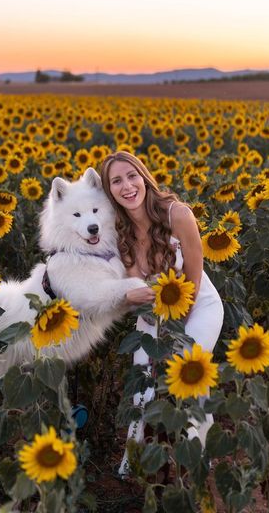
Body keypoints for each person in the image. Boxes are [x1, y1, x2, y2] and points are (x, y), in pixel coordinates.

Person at [100, 150, 224, 477]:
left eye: (132, 176)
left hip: (198, 306)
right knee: (143, 380)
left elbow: (194, 279)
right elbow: (126, 292)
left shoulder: (177, 215)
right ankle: (136, 454)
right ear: (109, 190)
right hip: (153, 310)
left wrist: (172, 332)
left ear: (144, 177)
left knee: (187, 368)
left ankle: (198, 455)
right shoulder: (117, 232)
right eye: (116, 181)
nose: (127, 186)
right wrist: (129, 297)